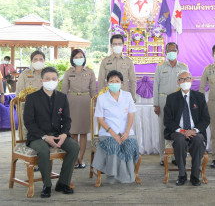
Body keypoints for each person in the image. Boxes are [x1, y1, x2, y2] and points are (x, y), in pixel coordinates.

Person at [23, 67, 79, 198]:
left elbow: (67, 119)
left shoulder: (62, 97)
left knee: (74, 147)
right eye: (47, 79)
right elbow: (29, 122)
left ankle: (63, 183)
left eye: (54, 79)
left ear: (57, 81)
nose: (50, 81)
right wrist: (44, 136)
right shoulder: (32, 98)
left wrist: (64, 134)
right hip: (37, 136)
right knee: (43, 150)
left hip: (57, 134)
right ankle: (47, 185)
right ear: (42, 81)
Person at [164, 70, 210, 186]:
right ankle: (182, 175)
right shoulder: (171, 98)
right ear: (178, 82)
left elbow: (206, 119)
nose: (185, 81)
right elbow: (167, 121)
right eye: (182, 79)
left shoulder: (199, 97)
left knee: (198, 139)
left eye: (187, 78)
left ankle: (195, 175)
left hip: (195, 131)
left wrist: (194, 130)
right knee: (179, 140)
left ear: (192, 80)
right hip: (178, 131)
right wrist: (183, 131)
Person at [92, 70, 139, 184]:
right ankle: (112, 175)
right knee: (113, 146)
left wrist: (127, 132)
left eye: (117, 81)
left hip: (125, 132)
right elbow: (100, 119)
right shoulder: (102, 98)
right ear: (107, 83)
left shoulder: (127, 96)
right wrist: (113, 134)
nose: (114, 83)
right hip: (108, 133)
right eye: (111, 81)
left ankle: (129, 175)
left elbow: (131, 115)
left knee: (130, 146)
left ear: (121, 83)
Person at [153, 42, 188, 166]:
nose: (171, 52)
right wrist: (156, 104)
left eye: (174, 50)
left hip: (179, 102)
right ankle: (163, 157)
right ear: (166, 52)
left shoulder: (183, 67)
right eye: (169, 50)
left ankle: (175, 156)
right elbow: (155, 85)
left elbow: (186, 84)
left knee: (177, 128)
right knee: (163, 129)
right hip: (163, 101)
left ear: (178, 52)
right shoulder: (160, 67)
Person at [61, 49, 96, 169]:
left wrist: (94, 105)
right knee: (73, 133)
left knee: (84, 132)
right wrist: (62, 106)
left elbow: (93, 91)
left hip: (86, 102)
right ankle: (75, 158)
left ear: (84, 58)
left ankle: (81, 158)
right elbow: (64, 91)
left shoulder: (90, 72)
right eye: (76, 57)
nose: (79, 58)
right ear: (72, 59)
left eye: (81, 56)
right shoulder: (68, 72)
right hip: (72, 102)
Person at [98, 34, 136, 101]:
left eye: (119, 44)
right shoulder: (105, 61)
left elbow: (133, 81)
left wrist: (133, 97)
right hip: (109, 96)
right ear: (111, 46)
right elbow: (101, 80)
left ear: (123, 45)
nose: (117, 46)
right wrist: (101, 97)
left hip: (124, 95)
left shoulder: (128, 61)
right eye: (115, 44)